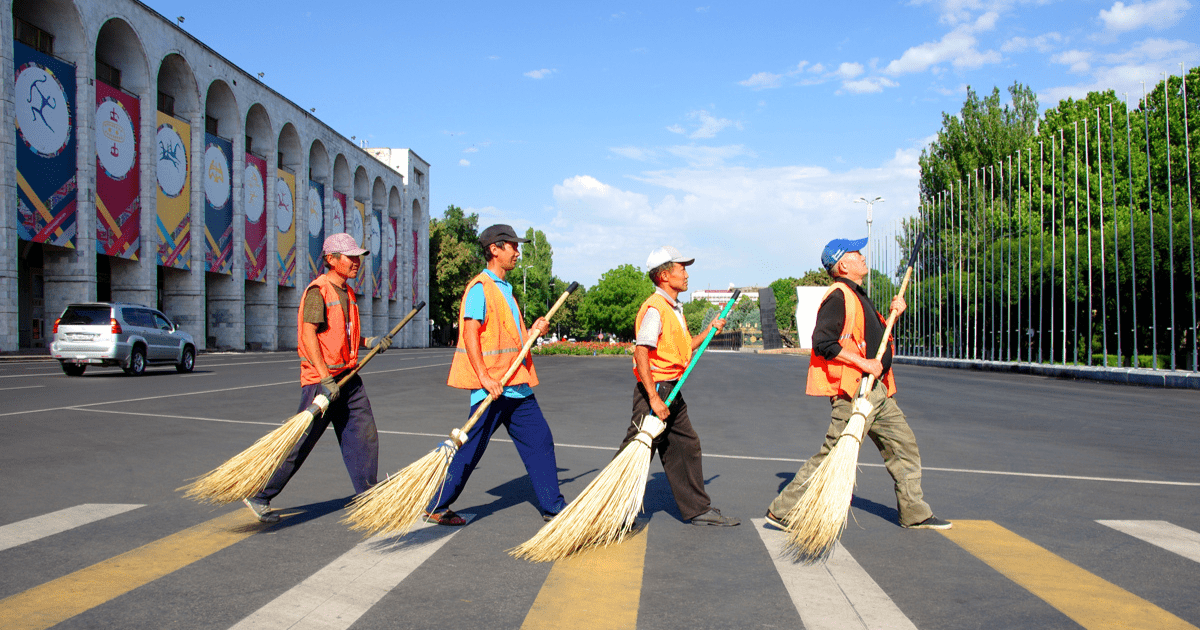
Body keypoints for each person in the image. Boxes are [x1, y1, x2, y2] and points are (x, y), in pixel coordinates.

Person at [766, 237, 951, 530]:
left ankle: (915, 512)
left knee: (903, 447)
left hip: (877, 390)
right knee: (836, 451)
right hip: (855, 390)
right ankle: (782, 511)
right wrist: (864, 365)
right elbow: (822, 342)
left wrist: (894, 315)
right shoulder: (838, 296)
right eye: (856, 253)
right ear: (843, 264)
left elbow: (870, 340)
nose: (862, 256)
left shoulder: (857, 294)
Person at [242, 233, 391, 524]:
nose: (357, 262)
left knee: (363, 436)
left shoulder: (347, 293)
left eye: (358, 257)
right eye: (350, 257)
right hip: (321, 381)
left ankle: (367, 493)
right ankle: (260, 494)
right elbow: (309, 334)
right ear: (331, 259)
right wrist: (325, 378)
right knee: (301, 442)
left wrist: (370, 341)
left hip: (347, 378)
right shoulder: (318, 291)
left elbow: (342, 336)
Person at [429, 224, 567, 525]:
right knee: (471, 450)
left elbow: (508, 339)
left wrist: (532, 332)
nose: (518, 252)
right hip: (492, 387)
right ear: (495, 249)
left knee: (540, 441)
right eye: (512, 247)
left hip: (516, 385)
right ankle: (436, 505)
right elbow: (470, 333)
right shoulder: (481, 287)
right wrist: (484, 377)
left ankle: (553, 506)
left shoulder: (505, 290)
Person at [623, 246, 739, 526]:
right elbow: (641, 352)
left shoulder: (673, 308)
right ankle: (610, 512)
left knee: (685, 445)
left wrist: (709, 330)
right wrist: (653, 398)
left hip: (670, 389)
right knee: (636, 451)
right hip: (658, 389)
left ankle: (697, 509)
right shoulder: (656, 308)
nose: (686, 274)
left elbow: (683, 347)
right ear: (664, 275)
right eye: (681, 268)